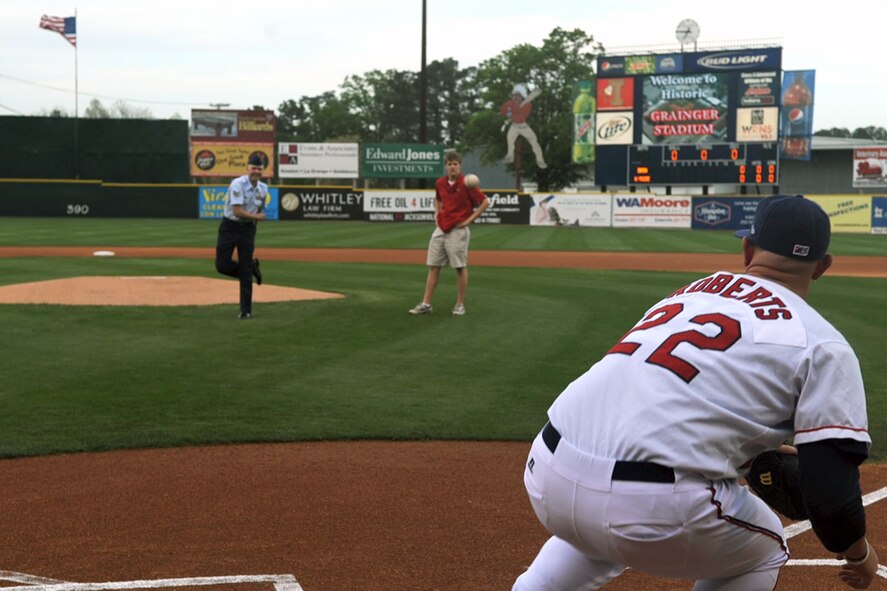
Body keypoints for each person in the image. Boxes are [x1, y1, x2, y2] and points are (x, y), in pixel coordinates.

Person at [513, 194, 879, 590]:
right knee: (768, 547)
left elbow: (670, 393)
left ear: (747, 248)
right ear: (823, 266)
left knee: (598, 527)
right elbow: (830, 493)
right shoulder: (824, 344)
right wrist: (859, 553)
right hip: (654, 510)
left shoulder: (690, 292)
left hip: (548, 473)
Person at [408, 151, 489, 316]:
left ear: (460, 166)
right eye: (450, 164)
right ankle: (426, 304)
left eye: (455, 164)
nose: (452, 167)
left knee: (459, 267)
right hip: (441, 228)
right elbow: (437, 198)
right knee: (433, 266)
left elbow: (485, 202)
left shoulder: (467, 183)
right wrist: (437, 214)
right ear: (446, 166)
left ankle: (459, 304)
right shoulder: (440, 183)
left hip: (457, 230)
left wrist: (468, 221)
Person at [215, 153, 267, 319]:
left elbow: (259, 210)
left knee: (244, 269)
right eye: (253, 168)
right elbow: (237, 211)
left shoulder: (263, 188)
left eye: (259, 168)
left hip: (247, 230)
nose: (256, 171)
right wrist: (257, 218)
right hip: (230, 226)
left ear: (263, 170)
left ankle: (246, 310)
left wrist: (253, 227)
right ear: (247, 168)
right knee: (222, 265)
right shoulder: (237, 184)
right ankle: (250, 269)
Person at [500, 83, 548, 169]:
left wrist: (517, 109)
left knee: (534, 143)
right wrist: (509, 114)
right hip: (514, 126)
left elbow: (522, 115)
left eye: (518, 96)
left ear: (522, 96)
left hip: (524, 127)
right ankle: (510, 157)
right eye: (514, 95)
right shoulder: (509, 103)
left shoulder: (527, 105)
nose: (515, 97)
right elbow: (505, 111)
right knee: (510, 141)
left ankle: (540, 161)